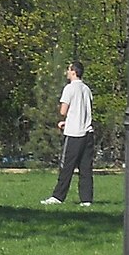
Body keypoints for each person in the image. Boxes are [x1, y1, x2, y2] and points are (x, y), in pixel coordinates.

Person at [42, 61, 95, 206]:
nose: (66, 72)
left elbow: (63, 111)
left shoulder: (70, 88)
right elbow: (83, 111)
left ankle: (58, 197)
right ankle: (86, 199)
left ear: (73, 71)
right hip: (87, 132)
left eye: (68, 69)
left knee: (66, 167)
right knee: (85, 168)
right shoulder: (86, 89)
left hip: (74, 134)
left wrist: (65, 120)